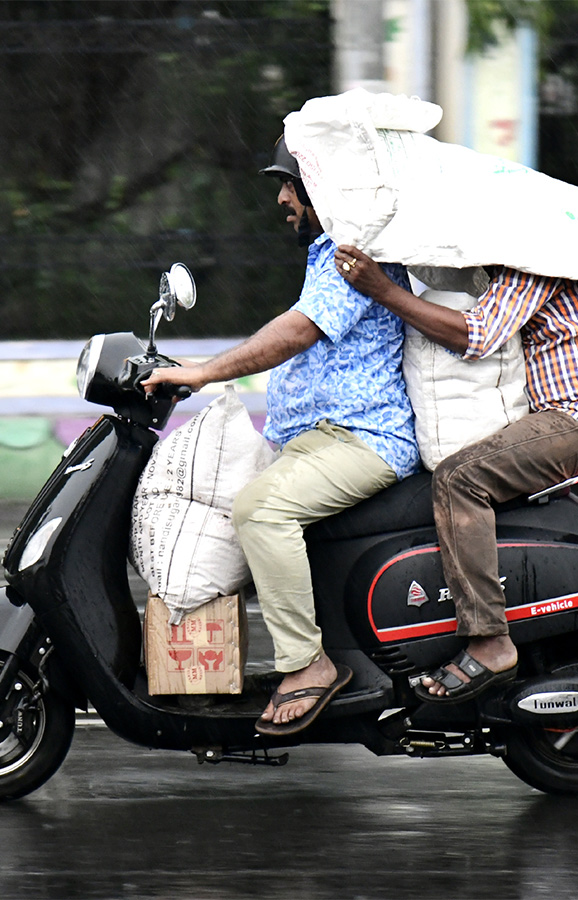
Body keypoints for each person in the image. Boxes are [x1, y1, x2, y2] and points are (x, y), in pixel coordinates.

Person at [143, 137, 420, 734]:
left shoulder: (353, 257)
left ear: (325, 192)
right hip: (320, 440)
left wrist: (201, 373)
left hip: (360, 438)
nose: (282, 198)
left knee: (261, 510)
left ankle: (308, 666)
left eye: (292, 185)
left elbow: (296, 332)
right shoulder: (328, 257)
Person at [333, 246, 578, 702]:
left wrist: (381, 289)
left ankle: (490, 641)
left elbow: (476, 335)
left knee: (460, 479)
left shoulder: (541, 260)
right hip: (574, 415)